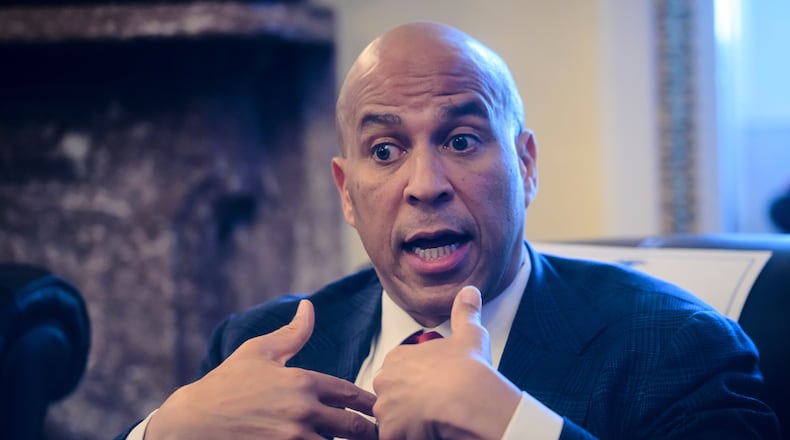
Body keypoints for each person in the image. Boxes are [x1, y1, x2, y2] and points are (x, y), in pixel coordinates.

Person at [119, 22, 780, 439]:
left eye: (462, 139)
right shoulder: (258, 348)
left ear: (525, 165)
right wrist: (165, 432)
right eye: (384, 151)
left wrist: (511, 424)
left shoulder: (679, 352)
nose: (425, 183)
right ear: (347, 193)